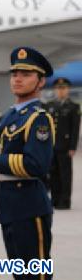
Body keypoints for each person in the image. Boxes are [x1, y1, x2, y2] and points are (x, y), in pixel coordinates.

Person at [0, 47, 55, 280]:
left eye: (26, 74)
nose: (17, 78)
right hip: (8, 203)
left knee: (37, 279)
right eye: (14, 73)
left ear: (40, 81)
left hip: (29, 205)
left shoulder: (38, 118)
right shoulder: (11, 115)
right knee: (20, 276)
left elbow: (36, 165)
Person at [44, 77, 80, 209]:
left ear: (68, 90)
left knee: (65, 175)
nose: (61, 91)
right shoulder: (49, 106)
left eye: (63, 88)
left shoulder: (73, 107)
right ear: (55, 90)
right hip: (51, 146)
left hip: (65, 146)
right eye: (58, 88)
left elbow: (75, 129)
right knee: (53, 174)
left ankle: (64, 201)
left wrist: (72, 147)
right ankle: (55, 199)